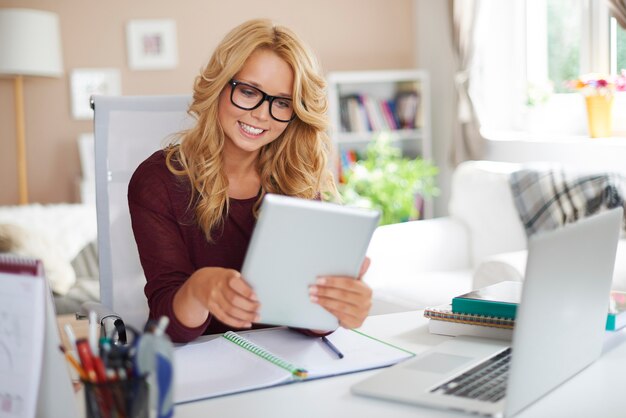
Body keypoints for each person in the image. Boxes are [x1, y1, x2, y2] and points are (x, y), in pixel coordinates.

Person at [128, 19, 372, 343]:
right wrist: (200, 289)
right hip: (197, 369)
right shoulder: (157, 182)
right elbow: (166, 326)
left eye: (282, 102)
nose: (262, 114)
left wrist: (333, 307)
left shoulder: (296, 179)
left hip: (278, 364)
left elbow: (304, 316)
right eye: (248, 91)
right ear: (219, 86)